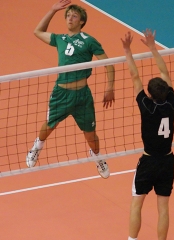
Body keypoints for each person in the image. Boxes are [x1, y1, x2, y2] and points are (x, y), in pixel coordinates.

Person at [26, 0, 115, 179]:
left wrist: (110, 88)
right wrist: (52, 10)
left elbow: (109, 65)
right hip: (61, 94)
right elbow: (38, 31)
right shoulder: (59, 39)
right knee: (49, 126)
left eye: (74, 16)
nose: (69, 18)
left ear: (82, 21)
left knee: (91, 135)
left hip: (83, 96)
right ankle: (36, 147)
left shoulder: (89, 41)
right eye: (67, 15)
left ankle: (97, 156)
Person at [121, 29, 174, 240]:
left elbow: (135, 76)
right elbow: (166, 74)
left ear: (150, 95)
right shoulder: (171, 102)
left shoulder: (147, 106)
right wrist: (153, 48)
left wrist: (127, 50)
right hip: (167, 161)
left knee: (137, 202)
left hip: (148, 162)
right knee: (163, 208)